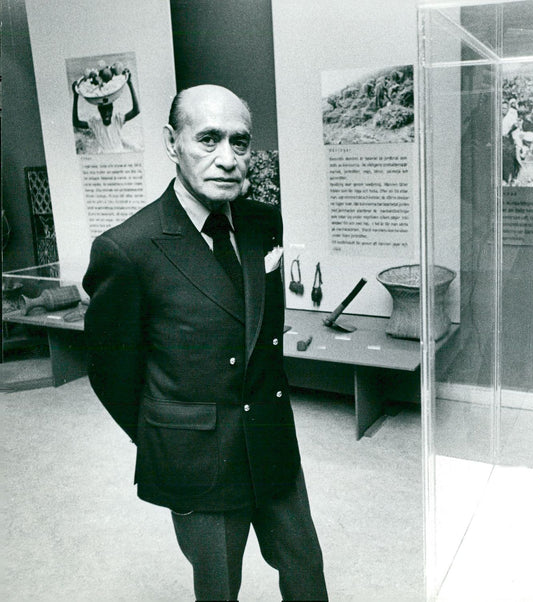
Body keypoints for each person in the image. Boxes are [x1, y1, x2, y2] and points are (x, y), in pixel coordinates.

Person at [82, 84, 328, 601]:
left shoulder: (262, 220)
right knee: (218, 588)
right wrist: (172, 430)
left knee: (306, 571)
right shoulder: (128, 249)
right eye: (208, 139)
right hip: (198, 456)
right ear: (172, 142)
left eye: (240, 143)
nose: (227, 159)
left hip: (270, 433)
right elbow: (110, 371)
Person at [72, 68, 140, 153]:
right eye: (103, 111)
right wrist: (75, 96)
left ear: (112, 110)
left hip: (120, 153)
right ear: (99, 111)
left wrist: (130, 83)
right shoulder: (95, 123)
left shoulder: (117, 119)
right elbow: (76, 122)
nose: (106, 114)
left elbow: (136, 110)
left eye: (109, 111)